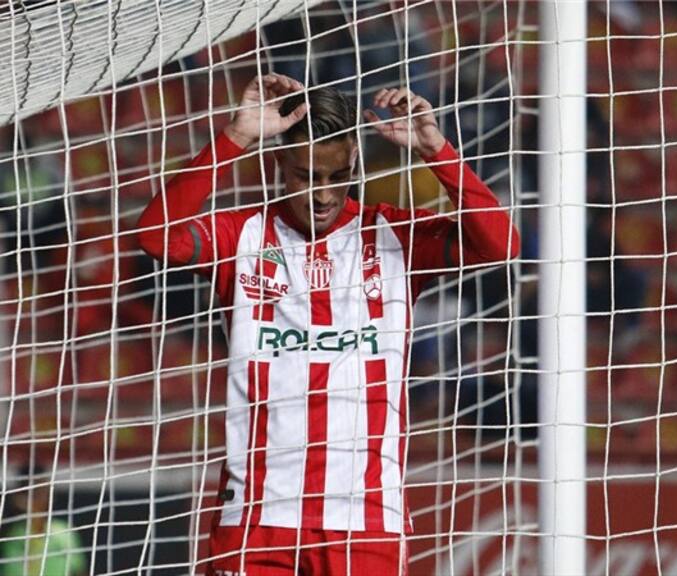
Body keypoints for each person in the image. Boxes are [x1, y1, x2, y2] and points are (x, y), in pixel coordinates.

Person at [137, 73, 519, 575]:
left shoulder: (393, 235)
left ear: (354, 161)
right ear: (279, 164)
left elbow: (500, 244)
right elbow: (156, 235)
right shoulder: (243, 234)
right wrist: (237, 136)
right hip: (257, 516)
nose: (322, 194)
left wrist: (436, 149)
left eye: (336, 176)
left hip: (366, 519)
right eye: (306, 175)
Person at [0, 464, 86, 576]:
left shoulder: (64, 532)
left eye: (44, 491)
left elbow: (79, 571)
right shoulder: (10, 533)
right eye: (34, 492)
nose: (42, 497)